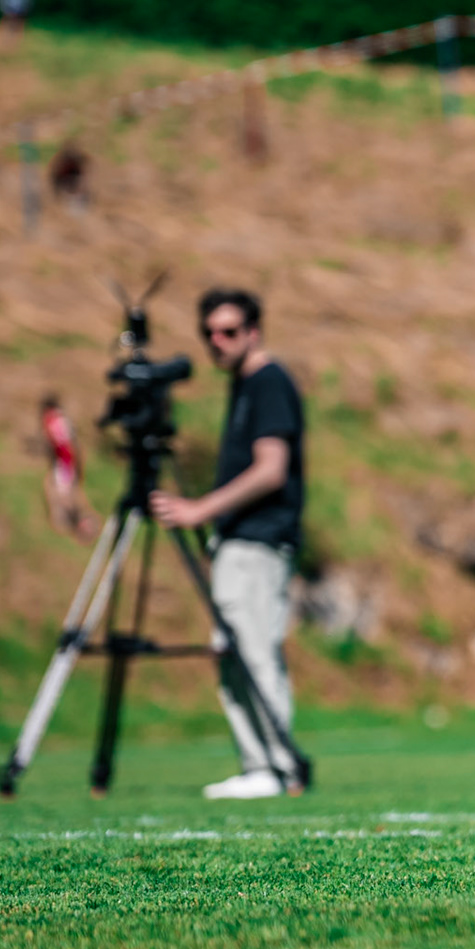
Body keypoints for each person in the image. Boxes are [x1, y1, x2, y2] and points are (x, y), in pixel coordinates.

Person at [149, 287, 308, 798]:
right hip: (238, 542)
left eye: (230, 331)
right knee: (232, 653)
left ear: (254, 332)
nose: (217, 342)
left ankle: (274, 767)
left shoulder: (268, 382)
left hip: (259, 542)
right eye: (209, 333)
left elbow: (271, 469)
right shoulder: (243, 385)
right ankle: (259, 764)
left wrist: (200, 509)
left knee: (255, 651)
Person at [38, 395, 97, 542]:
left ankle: (82, 524)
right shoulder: (55, 422)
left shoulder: (53, 422)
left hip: (65, 462)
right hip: (65, 462)